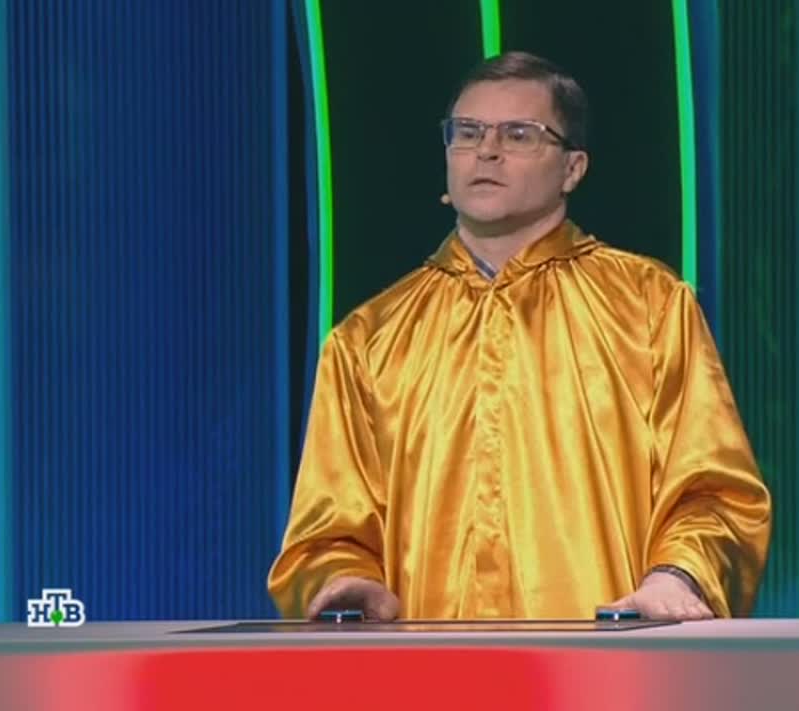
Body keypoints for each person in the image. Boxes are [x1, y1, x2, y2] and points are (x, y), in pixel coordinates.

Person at [268, 51, 770, 621]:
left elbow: (716, 494)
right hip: (428, 665)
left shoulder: (650, 307)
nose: (487, 150)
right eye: (468, 132)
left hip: (607, 664)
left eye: (519, 134)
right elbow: (326, 534)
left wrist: (677, 576)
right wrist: (347, 583)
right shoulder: (368, 339)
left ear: (573, 168)